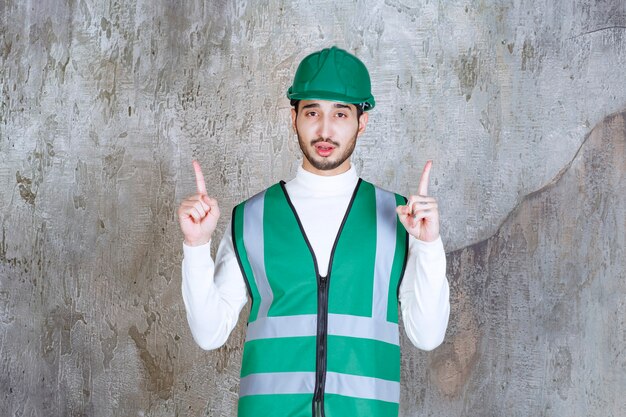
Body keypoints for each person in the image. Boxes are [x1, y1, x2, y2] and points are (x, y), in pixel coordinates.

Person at [178, 46, 450, 417]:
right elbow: (209, 335)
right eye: (312, 112)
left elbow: (428, 335)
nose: (325, 129)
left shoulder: (401, 217)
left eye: (340, 113)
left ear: (362, 121)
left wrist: (429, 245)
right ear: (294, 118)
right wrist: (196, 245)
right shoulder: (251, 218)